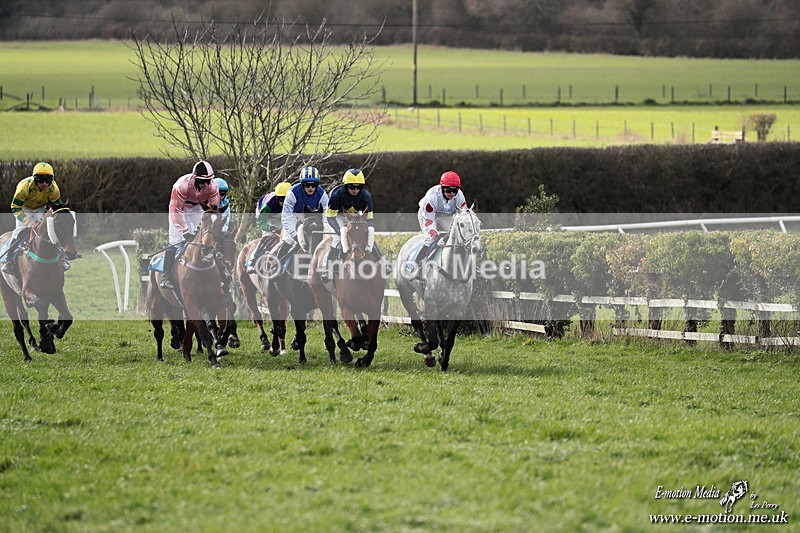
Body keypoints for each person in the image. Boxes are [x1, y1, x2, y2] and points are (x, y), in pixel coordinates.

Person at [160, 160, 220, 289]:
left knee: (205, 238)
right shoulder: (181, 186)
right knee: (175, 241)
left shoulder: (213, 187)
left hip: (198, 208)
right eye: (201, 181)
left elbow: (213, 210)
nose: (205, 185)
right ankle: (165, 276)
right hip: (179, 210)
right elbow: (177, 210)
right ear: (194, 178)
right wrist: (185, 231)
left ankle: (219, 274)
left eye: (208, 181)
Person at [2, 162, 68, 276]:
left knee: (48, 232)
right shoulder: (24, 187)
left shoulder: (54, 188)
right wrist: (28, 222)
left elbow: (58, 207)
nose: (45, 184)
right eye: (41, 180)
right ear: (35, 179)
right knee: (19, 232)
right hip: (24, 208)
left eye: (48, 181)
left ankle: (61, 259)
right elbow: (15, 207)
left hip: (40, 208)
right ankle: (8, 261)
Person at [322, 168, 375, 281]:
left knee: (368, 234)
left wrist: (367, 229)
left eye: (358, 187)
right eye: (352, 187)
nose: (355, 190)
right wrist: (340, 230)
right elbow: (330, 217)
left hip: (357, 216)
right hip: (338, 217)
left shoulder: (366, 196)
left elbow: (370, 219)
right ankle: (327, 270)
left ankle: (381, 262)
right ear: (346, 186)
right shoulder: (336, 195)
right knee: (337, 239)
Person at [274, 166, 329, 262]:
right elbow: (286, 216)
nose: (311, 188)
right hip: (294, 216)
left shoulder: (322, 193)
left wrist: (324, 226)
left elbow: (326, 212)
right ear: (302, 184)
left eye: (314, 184)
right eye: (307, 185)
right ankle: (276, 268)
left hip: (312, 217)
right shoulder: (292, 192)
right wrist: (294, 234)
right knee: (289, 240)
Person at [414, 170, 467, 266]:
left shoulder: (460, 196)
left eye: (455, 190)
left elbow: (463, 216)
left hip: (445, 215)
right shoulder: (432, 198)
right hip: (427, 216)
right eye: (448, 190)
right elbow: (429, 221)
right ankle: (417, 264)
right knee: (430, 239)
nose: (452, 193)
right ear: (442, 188)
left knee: (459, 237)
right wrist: (436, 237)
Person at [246, 181, 291, 274]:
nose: (283, 203)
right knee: (268, 236)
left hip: (280, 216)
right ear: (277, 198)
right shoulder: (269, 205)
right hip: (265, 215)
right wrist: (270, 228)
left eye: (286, 199)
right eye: (281, 199)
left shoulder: (294, 201)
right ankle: (252, 261)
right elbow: (260, 222)